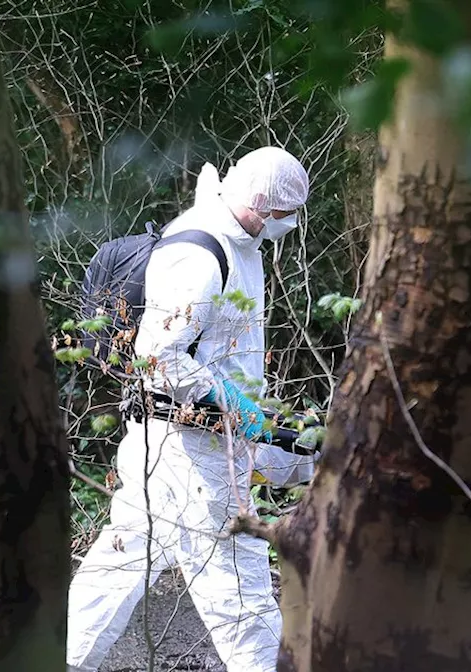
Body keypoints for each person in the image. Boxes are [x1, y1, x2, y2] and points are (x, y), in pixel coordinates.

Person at [67, 146, 311, 672]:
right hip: (193, 446)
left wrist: (265, 421)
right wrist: (243, 410)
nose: (288, 225)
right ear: (260, 202)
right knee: (238, 591)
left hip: (183, 439)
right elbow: (158, 360)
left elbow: (228, 349)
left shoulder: (238, 241)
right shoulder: (199, 256)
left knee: (121, 564)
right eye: (284, 214)